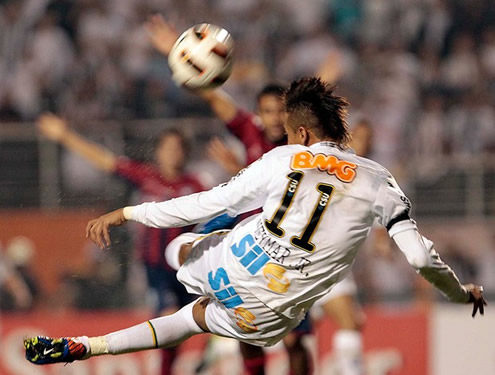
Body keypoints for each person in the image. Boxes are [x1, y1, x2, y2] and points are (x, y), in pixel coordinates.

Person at [24, 77, 486, 370]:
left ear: (301, 133)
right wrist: (458, 293)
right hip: (270, 314)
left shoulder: (284, 157)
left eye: (286, 130)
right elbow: (421, 256)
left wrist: (127, 213)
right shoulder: (381, 181)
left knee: (182, 249)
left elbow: (202, 201)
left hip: (234, 261)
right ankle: (90, 346)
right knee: (190, 321)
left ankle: (89, 344)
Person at [147, 14, 368, 375]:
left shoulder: (304, 145)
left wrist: (325, 82)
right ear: (258, 113)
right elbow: (215, 98)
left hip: (288, 248)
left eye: (279, 111)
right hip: (248, 245)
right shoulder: (250, 132)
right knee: (246, 331)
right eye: (266, 111)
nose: (272, 119)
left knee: (296, 339)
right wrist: (181, 54)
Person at [36, 113, 203, 375]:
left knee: (186, 328)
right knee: (169, 318)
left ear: (186, 153)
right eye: (168, 148)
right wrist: (64, 136)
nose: (173, 153)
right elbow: (105, 161)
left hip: (188, 270)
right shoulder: (147, 177)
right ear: (158, 152)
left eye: (178, 148)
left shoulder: (196, 186)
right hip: (154, 270)